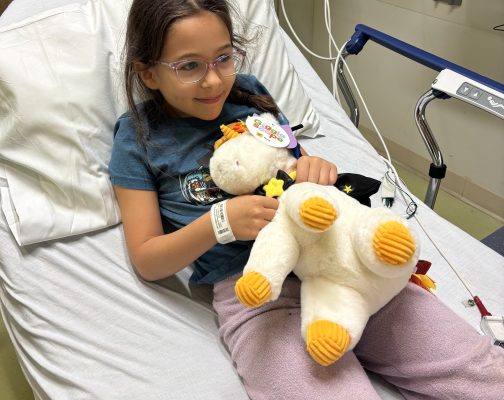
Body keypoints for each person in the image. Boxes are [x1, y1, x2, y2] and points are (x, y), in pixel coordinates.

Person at [108, 0, 504, 399]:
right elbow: (148, 258)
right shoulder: (138, 138)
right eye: (189, 66)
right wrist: (219, 223)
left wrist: (314, 167)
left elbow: (293, 163)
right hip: (257, 291)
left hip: (338, 259)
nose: (213, 81)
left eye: (223, 58)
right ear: (148, 72)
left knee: (481, 374)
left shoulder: (249, 95)